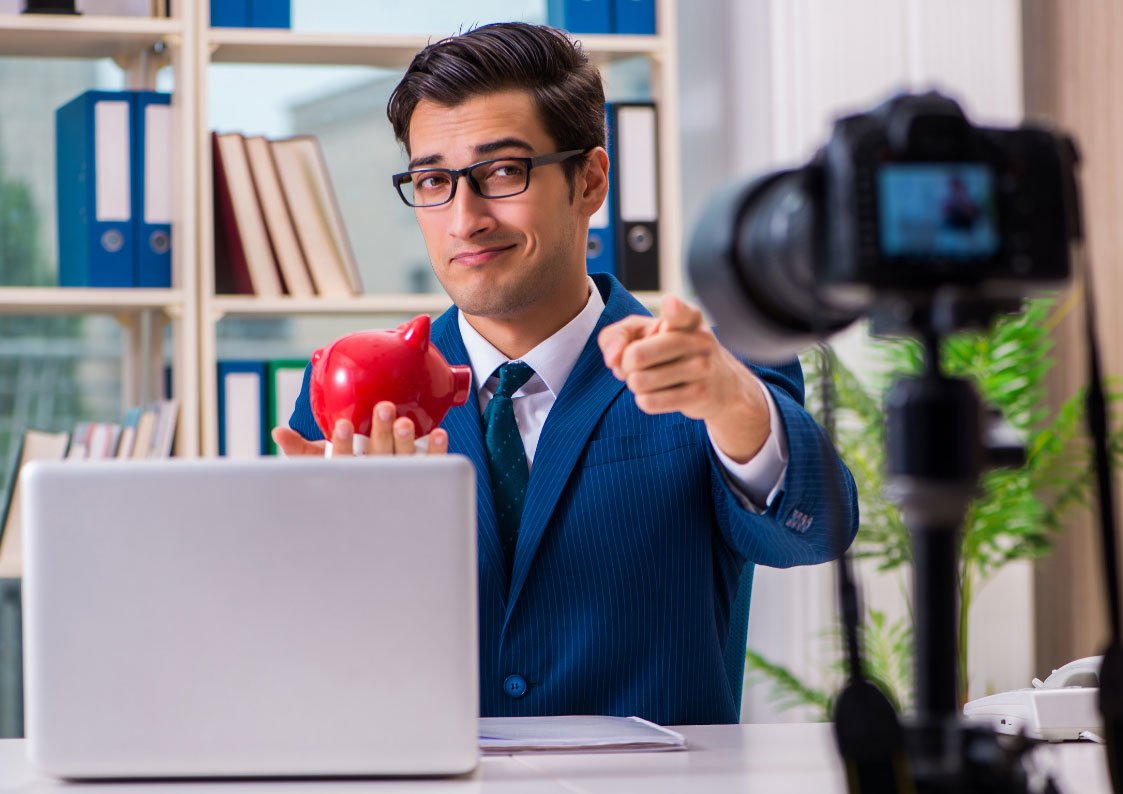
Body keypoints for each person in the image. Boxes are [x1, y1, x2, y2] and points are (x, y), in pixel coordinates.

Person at [275, 21, 859, 725]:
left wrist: (731, 400)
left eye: (501, 172)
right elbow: (289, 645)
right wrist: (338, 543)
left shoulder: (708, 371)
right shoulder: (353, 394)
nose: (464, 219)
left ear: (588, 181)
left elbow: (816, 530)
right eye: (432, 180)